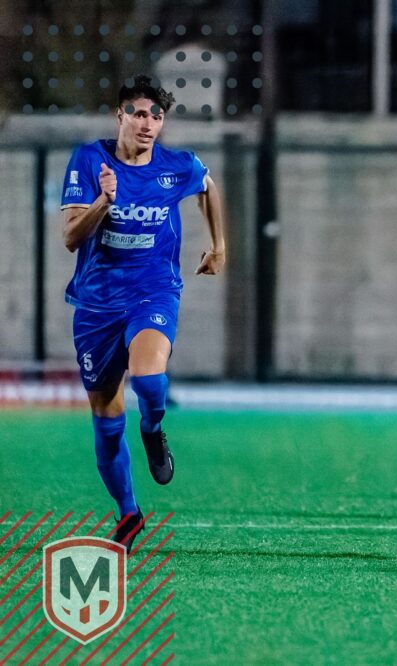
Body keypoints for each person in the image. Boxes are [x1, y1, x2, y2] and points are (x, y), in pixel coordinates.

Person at [61, 75, 226, 549]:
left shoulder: (177, 166)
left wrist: (219, 245)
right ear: (120, 116)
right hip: (96, 305)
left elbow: (207, 187)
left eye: (157, 115)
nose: (148, 123)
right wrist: (104, 201)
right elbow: (71, 236)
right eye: (138, 113)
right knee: (106, 419)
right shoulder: (90, 160)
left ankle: (152, 429)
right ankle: (130, 513)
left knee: (150, 380)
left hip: (153, 292)